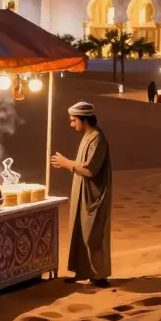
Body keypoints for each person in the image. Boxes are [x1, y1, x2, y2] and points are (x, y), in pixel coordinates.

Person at [51, 102, 112, 286]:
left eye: (74, 120)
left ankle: (98, 275)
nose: (72, 125)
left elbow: (91, 169)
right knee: (79, 231)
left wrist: (66, 163)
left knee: (92, 235)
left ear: (84, 119)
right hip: (81, 194)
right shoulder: (87, 136)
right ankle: (82, 272)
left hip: (93, 196)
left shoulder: (97, 139)